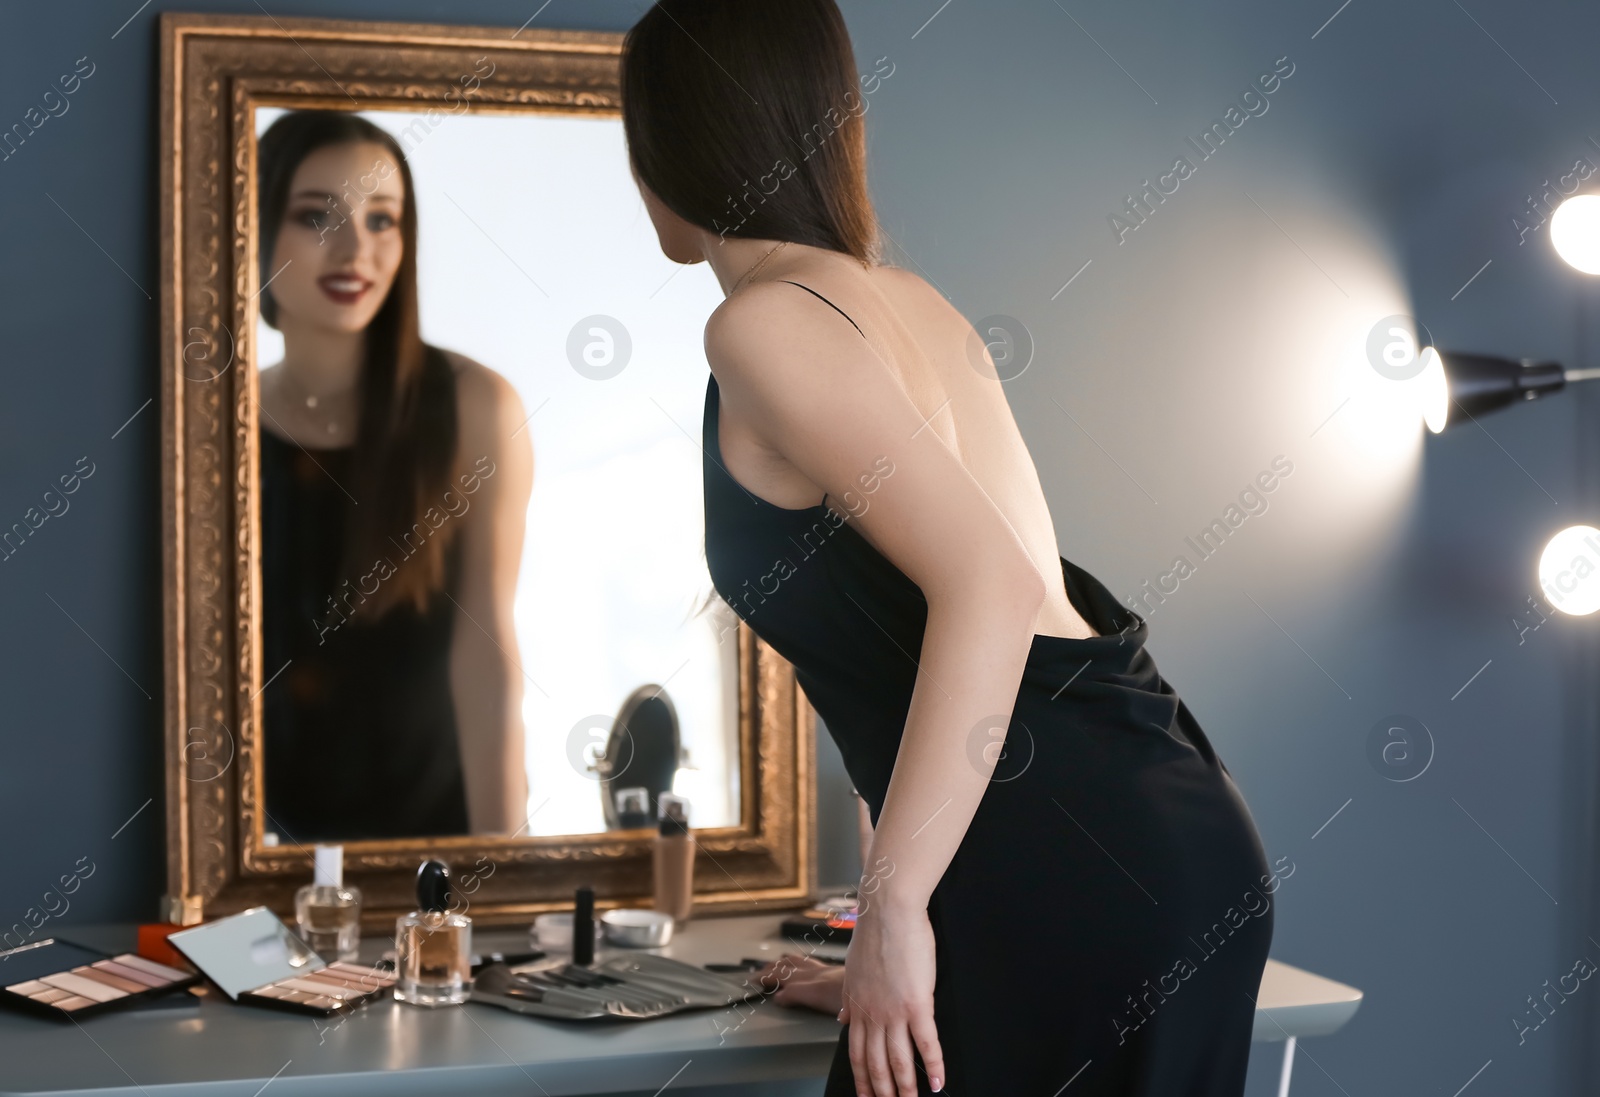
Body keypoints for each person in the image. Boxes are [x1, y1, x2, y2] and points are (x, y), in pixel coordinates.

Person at [622, 4, 1275, 1096]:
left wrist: (893, 912)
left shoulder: (760, 324)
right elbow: (938, 649)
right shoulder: (907, 302)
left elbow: (989, 585)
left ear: (674, 141)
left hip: (1063, 867)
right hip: (1164, 830)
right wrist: (919, 938)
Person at [255, 110, 533, 842]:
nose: (356, 248)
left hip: (436, 836)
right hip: (267, 856)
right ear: (254, 232)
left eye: (383, 219)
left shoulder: (475, 405)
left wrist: (504, 860)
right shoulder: (213, 428)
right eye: (317, 216)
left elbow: (487, 649)